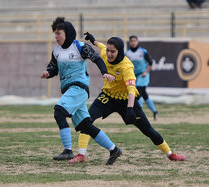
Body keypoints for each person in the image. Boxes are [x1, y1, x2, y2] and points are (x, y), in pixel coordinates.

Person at [68, 32, 185, 163]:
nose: (109, 54)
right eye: (108, 50)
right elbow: (101, 47)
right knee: (86, 120)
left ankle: (170, 154)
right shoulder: (104, 54)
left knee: (147, 130)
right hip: (108, 97)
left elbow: (131, 89)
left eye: (113, 51)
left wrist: (130, 108)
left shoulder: (126, 66)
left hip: (126, 100)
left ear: (120, 51)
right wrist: (94, 41)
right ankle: (81, 154)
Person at [41, 17, 121, 165]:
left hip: (78, 88)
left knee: (59, 112)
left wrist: (104, 72)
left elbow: (97, 58)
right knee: (86, 126)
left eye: (59, 33)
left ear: (68, 33)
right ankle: (114, 149)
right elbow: (53, 67)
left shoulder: (80, 46)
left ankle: (68, 150)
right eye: (55, 33)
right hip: (70, 91)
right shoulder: (56, 50)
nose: (56, 36)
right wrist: (48, 73)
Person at [126, 35, 158, 120]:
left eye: (134, 41)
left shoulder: (143, 51)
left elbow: (150, 62)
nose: (133, 43)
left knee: (138, 92)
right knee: (144, 94)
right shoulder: (127, 53)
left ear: (137, 41)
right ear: (129, 42)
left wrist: (145, 72)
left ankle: (139, 113)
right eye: (131, 41)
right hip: (134, 76)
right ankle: (155, 111)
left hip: (143, 75)